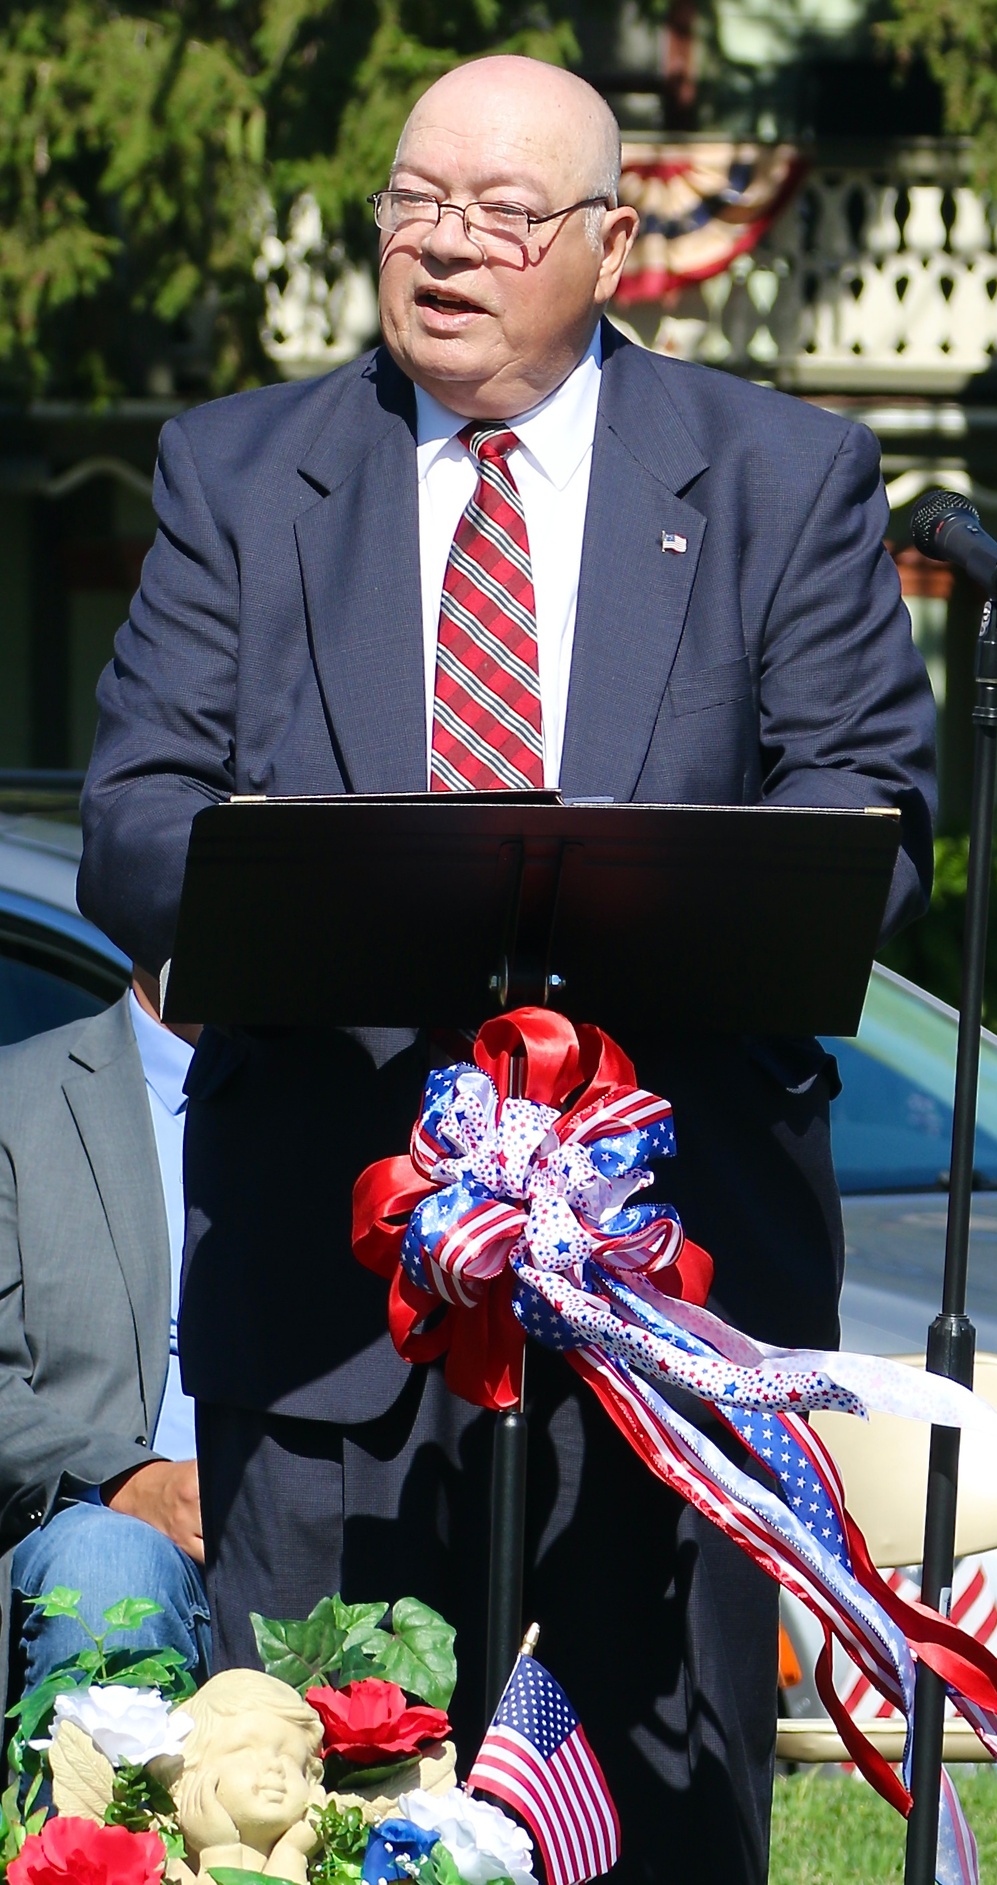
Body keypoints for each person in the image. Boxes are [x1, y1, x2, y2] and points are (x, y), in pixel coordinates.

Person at [76, 54, 936, 1884]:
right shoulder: (240, 474)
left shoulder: (786, 478)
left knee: (659, 1828)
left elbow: (871, 823)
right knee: (305, 1822)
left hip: (670, 1291)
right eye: (414, 204)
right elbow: (139, 821)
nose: (444, 247)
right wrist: (321, 897)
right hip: (334, 1297)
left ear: (614, 245)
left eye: (503, 215)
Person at [0, 972, 210, 1702]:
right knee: (107, 1564)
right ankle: (98, 1821)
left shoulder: (349, 1110)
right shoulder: (16, 1098)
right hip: (101, 1543)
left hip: (297, 1560)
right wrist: (135, 1483)